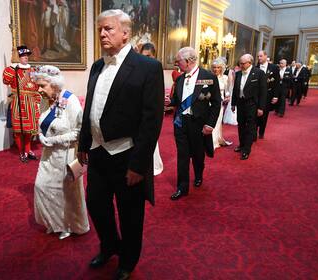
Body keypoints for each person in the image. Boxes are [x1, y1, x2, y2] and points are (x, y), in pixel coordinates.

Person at [77, 9, 164, 280]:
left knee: (129, 214)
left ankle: (128, 259)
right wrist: (83, 142)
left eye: (109, 29)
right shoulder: (96, 66)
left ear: (125, 33)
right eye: (100, 29)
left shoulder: (148, 67)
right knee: (95, 204)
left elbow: (151, 121)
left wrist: (139, 164)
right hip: (97, 151)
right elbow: (90, 106)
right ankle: (110, 245)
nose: (102, 33)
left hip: (127, 154)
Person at [32, 65, 89, 240]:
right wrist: (41, 136)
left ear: (54, 84)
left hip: (67, 154)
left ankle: (69, 225)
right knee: (42, 187)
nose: (39, 90)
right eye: (38, 86)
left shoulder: (70, 100)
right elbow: (42, 123)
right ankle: (54, 221)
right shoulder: (46, 100)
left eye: (42, 86)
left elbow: (79, 131)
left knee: (66, 192)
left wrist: (53, 140)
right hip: (48, 155)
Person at [165, 47, 221, 200]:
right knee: (182, 156)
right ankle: (182, 188)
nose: (177, 64)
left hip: (198, 124)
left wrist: (210, 124)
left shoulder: (208, 77)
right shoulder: (180, 79)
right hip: (180, 123)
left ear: (189, 61)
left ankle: (198, 174)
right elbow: (177, 100)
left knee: (197, 154)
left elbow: (216, 103)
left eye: (179, 61)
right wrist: (170, 101)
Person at [3, 45, 41, 162]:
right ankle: (21, 152)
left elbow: (36, 85)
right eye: (22, 56)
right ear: (18, 57)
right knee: (19, 129)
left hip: (31, 102)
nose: (25, 58)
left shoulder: (32, 70)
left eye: (26, 56)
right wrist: (12, 68)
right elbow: (6, 81)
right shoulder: (13, 70)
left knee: (29, 130)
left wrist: (36, 98)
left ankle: (28, 150)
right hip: (19, 102)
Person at [231, 54, 267, 160]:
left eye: (243, 63)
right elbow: (235, 90)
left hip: (252, 104)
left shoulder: (259, 73)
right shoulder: (237, 74)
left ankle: (246, 150)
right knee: (240, 125)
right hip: (240, 103)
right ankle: (241, 145)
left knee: (250, 127)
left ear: (250, 63)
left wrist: (261, 107)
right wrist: (233, 103)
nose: (241, 65)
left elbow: (263, 92)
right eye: (240, 63)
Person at [140, 43, 164, 176]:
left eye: (148, 56)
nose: (146, 59)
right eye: (143, 56)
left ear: (154, 56)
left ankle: (153, 165)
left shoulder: (156, 69)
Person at [256, 50, 280, 139]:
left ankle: (261, 132)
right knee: (255, 114)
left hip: (268, 95)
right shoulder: (255, 67)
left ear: (266, 56)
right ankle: (254, 132)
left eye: (261, 56)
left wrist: (275, 96)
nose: (259, 58)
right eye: (258, 56)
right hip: (257, 96)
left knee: (264, 114)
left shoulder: (273, 68)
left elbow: (277, 83)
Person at [210, 57, 232, 149]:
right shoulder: (209, 77)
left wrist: (227, 97)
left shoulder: (225, 78)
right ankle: (208, 140)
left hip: (220, 103)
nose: (216, 69)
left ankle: (214, 142)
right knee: (209, 122)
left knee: (217, 121)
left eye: (218, 67)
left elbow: (227, 91)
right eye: (214, 67)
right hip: (209, 103)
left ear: (222, 68)